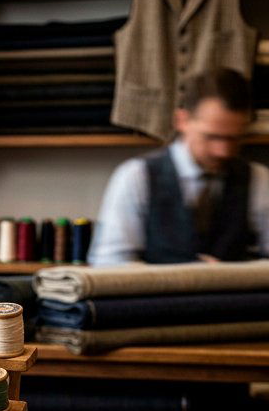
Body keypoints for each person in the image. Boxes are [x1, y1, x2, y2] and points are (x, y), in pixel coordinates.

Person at [88, 68, 269, 266]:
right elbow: (110, 263)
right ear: (182, 120)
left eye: (234, 138)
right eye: (212, 137)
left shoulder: (258, 179)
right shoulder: (136, 176)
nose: (223, 151)